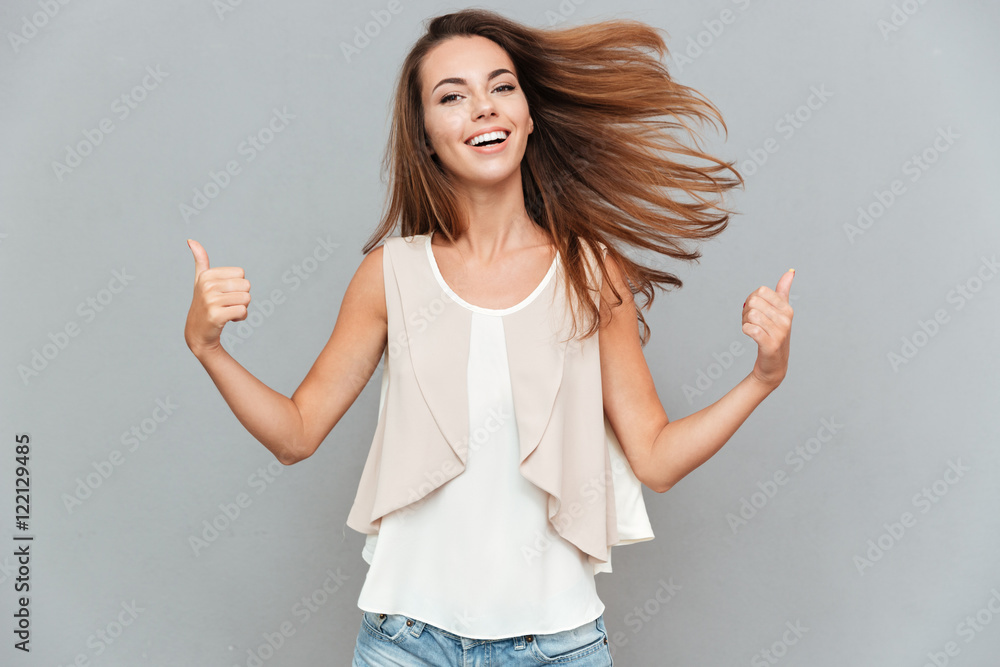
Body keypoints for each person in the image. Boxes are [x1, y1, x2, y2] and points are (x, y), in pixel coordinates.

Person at [183, 8, 794, 666]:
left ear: (529, 114)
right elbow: (295, 433)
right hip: (404, 644)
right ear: (424, 135)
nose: (482, 108)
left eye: (501, 87)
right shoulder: (389, 275)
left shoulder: (590, 273)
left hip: (557, 646)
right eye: (452, 96)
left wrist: (762, 377)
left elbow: (656, 458)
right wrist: (209, 348)